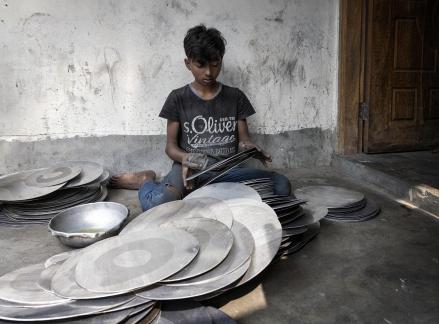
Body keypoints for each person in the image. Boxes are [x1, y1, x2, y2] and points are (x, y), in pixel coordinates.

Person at [110, 25, 291, 211]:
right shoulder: (178, 98)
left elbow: (244, 139)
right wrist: (185, 157)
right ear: (188, 63)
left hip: (227, 171)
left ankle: (212, 193)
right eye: (200, 64)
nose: (209, 72)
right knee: (158, 204)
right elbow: (170, 147)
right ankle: (146, 180)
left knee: (281, 185)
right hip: (189, 172)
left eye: (215, 63)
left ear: (221, 60)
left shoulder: (235, 97)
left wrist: (249, 147)